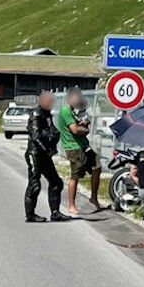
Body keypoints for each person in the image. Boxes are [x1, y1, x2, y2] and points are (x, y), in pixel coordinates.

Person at [57, 87, 106, 215]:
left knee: (97, 167)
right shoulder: (65, 111)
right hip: (74, 148)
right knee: (76, 175)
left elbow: (78, 125)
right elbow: (75, 130)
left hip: (84, 146)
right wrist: (85, 129)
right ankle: (71, 204)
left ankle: (93, 198)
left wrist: (84, 123)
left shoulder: (73, 111)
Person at [24, 90, 69, 223]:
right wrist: (47, 149)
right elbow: (36, 136)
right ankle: (30, 215)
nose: (51, 103)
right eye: (49, 100)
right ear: (42, 100)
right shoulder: (36, 114)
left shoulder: (47, 114)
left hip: (45, 154)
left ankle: (55, 213)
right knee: (35, 184)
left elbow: (52, 132)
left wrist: (52, 146)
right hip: (35, 154)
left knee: (56, 182)